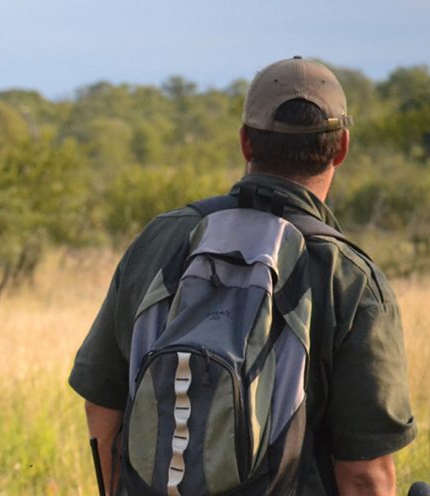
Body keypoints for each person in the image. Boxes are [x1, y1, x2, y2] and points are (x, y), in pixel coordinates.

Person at [69, 56, 417, 495]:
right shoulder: (348, 277)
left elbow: (101, 409)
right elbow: (364, 476)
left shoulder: (161, 239)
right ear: (342, 147)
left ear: (246, 144)